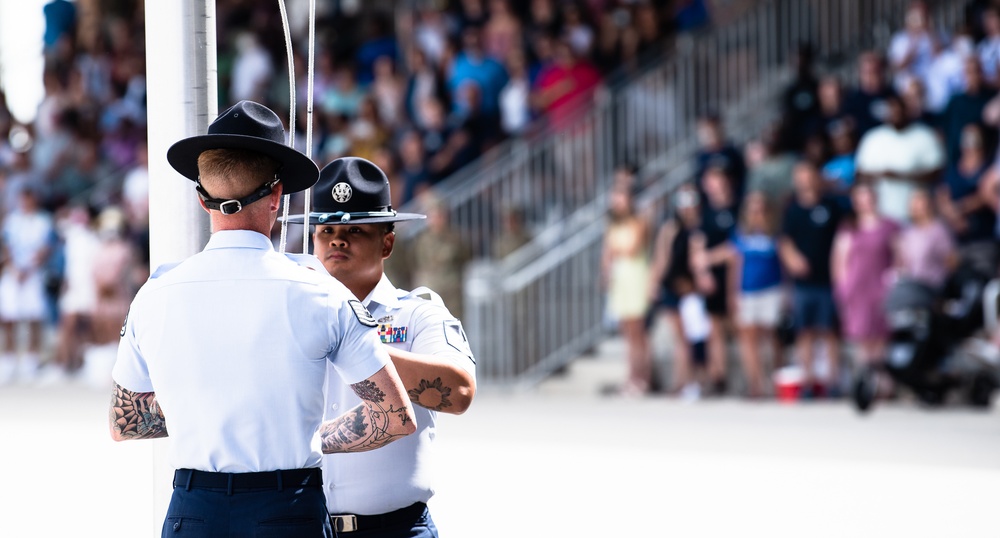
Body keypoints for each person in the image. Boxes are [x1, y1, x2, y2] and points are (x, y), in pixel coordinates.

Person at [108, 101, 417, 537]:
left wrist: (202, 411)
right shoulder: (320, 292)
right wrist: (304, 428)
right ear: (276, 196)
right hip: (285, 508)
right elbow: (393, 415)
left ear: (202, 199)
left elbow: (126, 422)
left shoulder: (154, 295)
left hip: (193, 510)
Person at [283, 156, 476, 537]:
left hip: (395, 528)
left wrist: (352, 342)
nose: (337, 239)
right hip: (303, 525)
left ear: (387, 242)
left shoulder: (417, 313)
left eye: (355, 230)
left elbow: (460, 392)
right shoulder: (289, 315)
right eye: (326, 230)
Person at [779, 160, 845, 398]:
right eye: (801, 176)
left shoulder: (831, 206)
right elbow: (784, 241)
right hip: (803, 283)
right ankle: (807, 382)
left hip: (828, 280)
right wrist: (793, 259)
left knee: (829, 332)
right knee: (804, 332)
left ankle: (834, 381)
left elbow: (844, 236)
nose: (805, 181)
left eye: (808, 175)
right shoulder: (793, 209)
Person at [831, 183, 900, 372]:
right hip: (857, 286)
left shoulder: (889, 226)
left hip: (880, 284)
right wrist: (842, 286)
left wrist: (894, 279)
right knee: (861, 334)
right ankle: (864, 378)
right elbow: (840, 260)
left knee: (880, 332)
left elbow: (899, 256)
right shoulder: (849, 227)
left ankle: (881, 379)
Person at [727, 192, 785, 398]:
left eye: (760, 208)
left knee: (770, 337)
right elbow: (735, 266)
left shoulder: (774, 234)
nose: (756, 212)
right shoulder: (741, 234)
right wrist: (732, 294)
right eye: (752, 208)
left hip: (771, 290)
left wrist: (787, 291)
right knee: (748, 338)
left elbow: (783, 264)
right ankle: (755, 383)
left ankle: (775, 381)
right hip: (747, 292)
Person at [855, 93, 945, 224]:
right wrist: (879, 175)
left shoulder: (925, 135)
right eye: (891, 109)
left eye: (899, 109)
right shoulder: (872, 138)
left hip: (917, 217)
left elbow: (937, 172)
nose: (895, 113)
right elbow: (859, 174)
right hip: (880, 218)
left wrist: (901, 176)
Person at [649, 183, 701, 395]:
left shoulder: (698, 227)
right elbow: (662, 258)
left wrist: (694, 286)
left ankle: (691, 381)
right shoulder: (671, 227)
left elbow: (698, 261)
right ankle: (682, 382)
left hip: (693, 290)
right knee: (682, 339)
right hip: (673, 287)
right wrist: (653, 283)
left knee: (694, 338)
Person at [0, 186, 55, 384]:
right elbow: (6, 247)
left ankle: (31, 360)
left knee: (33, 317)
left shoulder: (43, 221)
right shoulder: (12, 221)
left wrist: (29, 268)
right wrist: (14, 268)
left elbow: (46, 247)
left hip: (33, 273)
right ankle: (8, 359)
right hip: (13, 272)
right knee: (8, 317)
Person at [691, 166, 738, 395]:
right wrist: (702, 273)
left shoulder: (736, 209)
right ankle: (718, 377)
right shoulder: (706, 212)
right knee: (714, 329)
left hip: (735, 276)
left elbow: (735, 248)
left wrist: (709, 258)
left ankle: (751, 377)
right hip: (712, 277)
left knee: (738, 325)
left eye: (717, 181)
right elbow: (698, 245)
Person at [602, 183, 653, 395]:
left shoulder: (639, 222)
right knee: (626, 333)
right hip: (620, 280)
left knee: (638, 332)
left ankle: (643, 378)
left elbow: (631, 249)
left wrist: (614, 251)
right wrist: (606, 273)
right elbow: (607, 253)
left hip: (635, 277)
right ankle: (631, 377)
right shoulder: (613, 224)